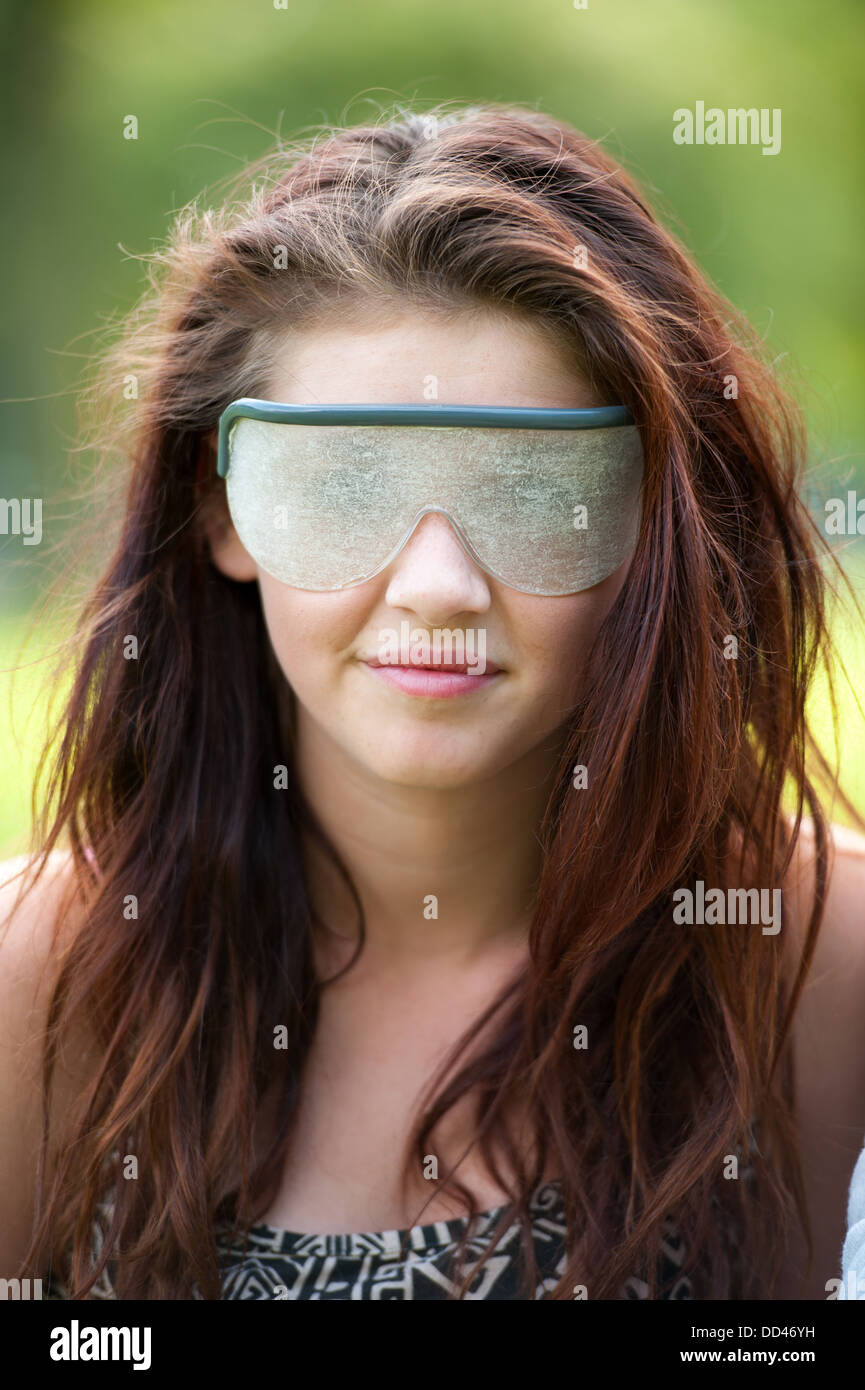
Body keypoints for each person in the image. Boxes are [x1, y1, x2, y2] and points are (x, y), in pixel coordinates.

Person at [1, 100, 865, 1301]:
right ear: (220, 510)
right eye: (347, 481)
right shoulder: (43, 982)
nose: (439, 586)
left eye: (527, 485)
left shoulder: (815, 964)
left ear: (648, 523)